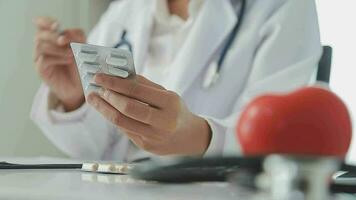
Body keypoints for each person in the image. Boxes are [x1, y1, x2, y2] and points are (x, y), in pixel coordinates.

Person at [31, 0, 322, 161]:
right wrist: (75, 97)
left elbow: (278, 139)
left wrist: (201, 138)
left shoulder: (283, 6)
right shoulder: (128, 10)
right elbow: (93, 149)